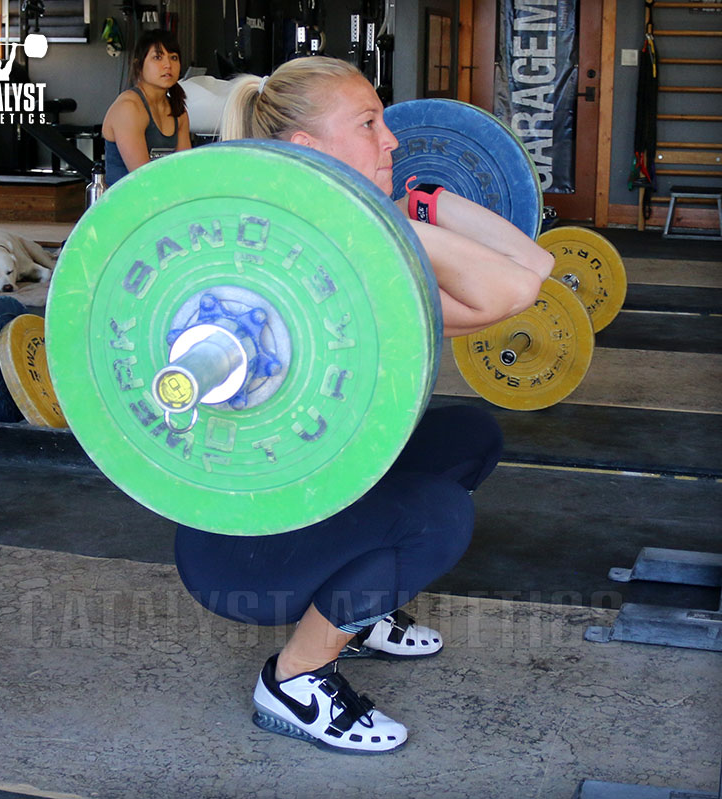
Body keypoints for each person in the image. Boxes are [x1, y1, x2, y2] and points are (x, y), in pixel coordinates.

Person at [174, 57, 554, 755]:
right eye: (370, 124)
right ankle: (295, 678)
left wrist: (419, 205)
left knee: (469, 435)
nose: (393, 141)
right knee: (436, 517)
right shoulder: (275, 271)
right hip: (240, 542)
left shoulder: (361, 267)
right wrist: (364, 212)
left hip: (308, 498)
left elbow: (529, 274)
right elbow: (506, 290)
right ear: (309, 152)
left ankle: (356, 609)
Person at [102, 30, 191, 187]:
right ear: (139, 65)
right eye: (157, 57)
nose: (167, 65)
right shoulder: (129, 108)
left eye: (173, 57)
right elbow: (143, 179)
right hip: (125, 206)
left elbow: (185, 171)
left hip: (161, 203)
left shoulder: (178, 111)